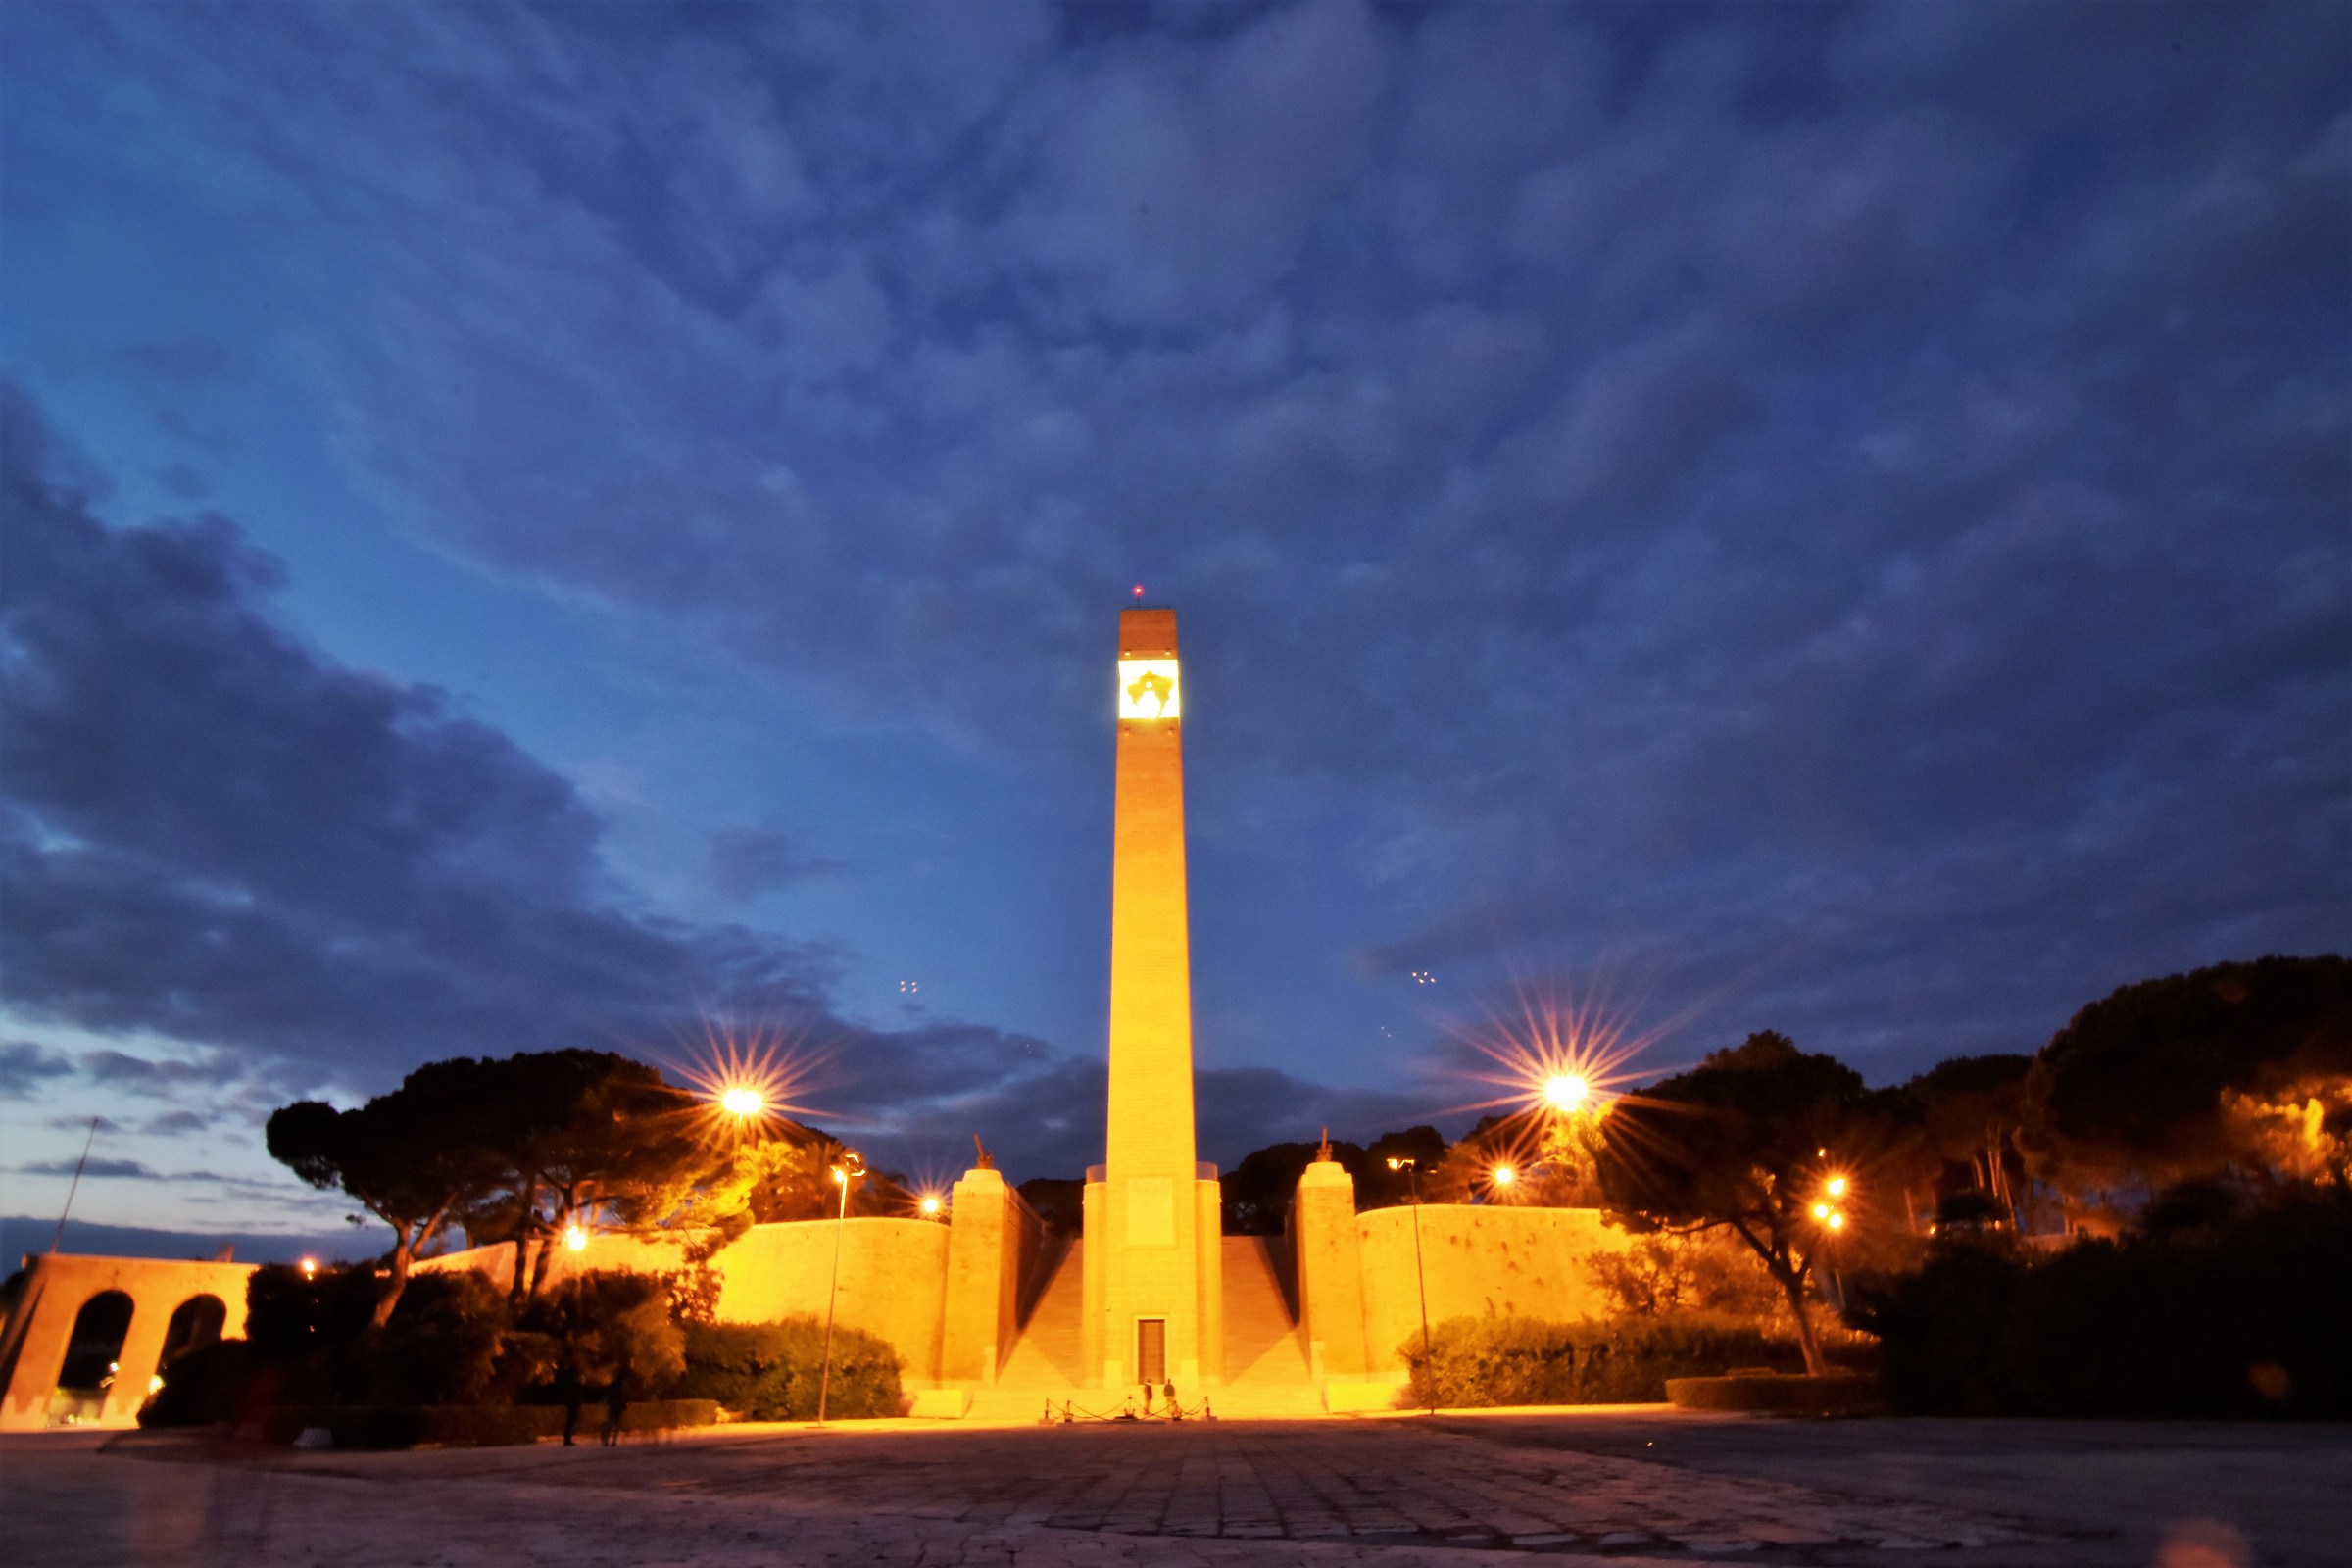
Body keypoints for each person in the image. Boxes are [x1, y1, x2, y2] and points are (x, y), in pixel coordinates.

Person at [601, 1359, 629, 1446]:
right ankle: (614, 1440)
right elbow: (627, 1397)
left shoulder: (614, 1383)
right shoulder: (625, 1385)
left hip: (612, 1406)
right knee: (617, 1423)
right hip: (619, 1406)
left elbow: (609, 1394)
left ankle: (606, 1440)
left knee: (609, 1422)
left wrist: (606, 1401)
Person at [556, 1360, 583, 1447]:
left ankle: (568, 1437)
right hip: (574, 1404)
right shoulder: (575, 1384)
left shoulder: (571, 1384)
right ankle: (567, 1437)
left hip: (572, 1404)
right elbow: (577, 1395)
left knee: (572, 1420)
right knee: (572, 1420)